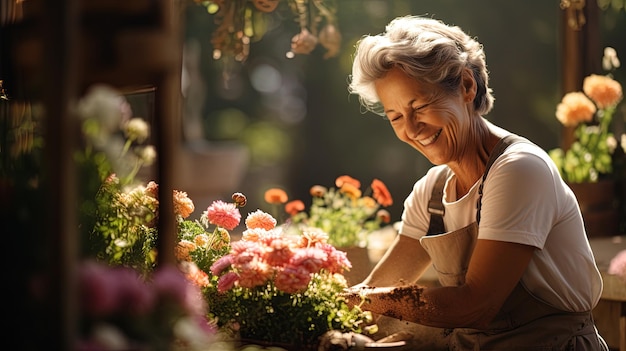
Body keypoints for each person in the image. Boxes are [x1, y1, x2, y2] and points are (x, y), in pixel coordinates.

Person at [343, 15, 609, 350]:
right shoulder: (433, 192)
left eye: (420, 106)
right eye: (396, 116)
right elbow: (377, 288)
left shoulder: (519, 169)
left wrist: (369, 301)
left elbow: (477, 305)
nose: (410, 129)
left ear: (467, 86)